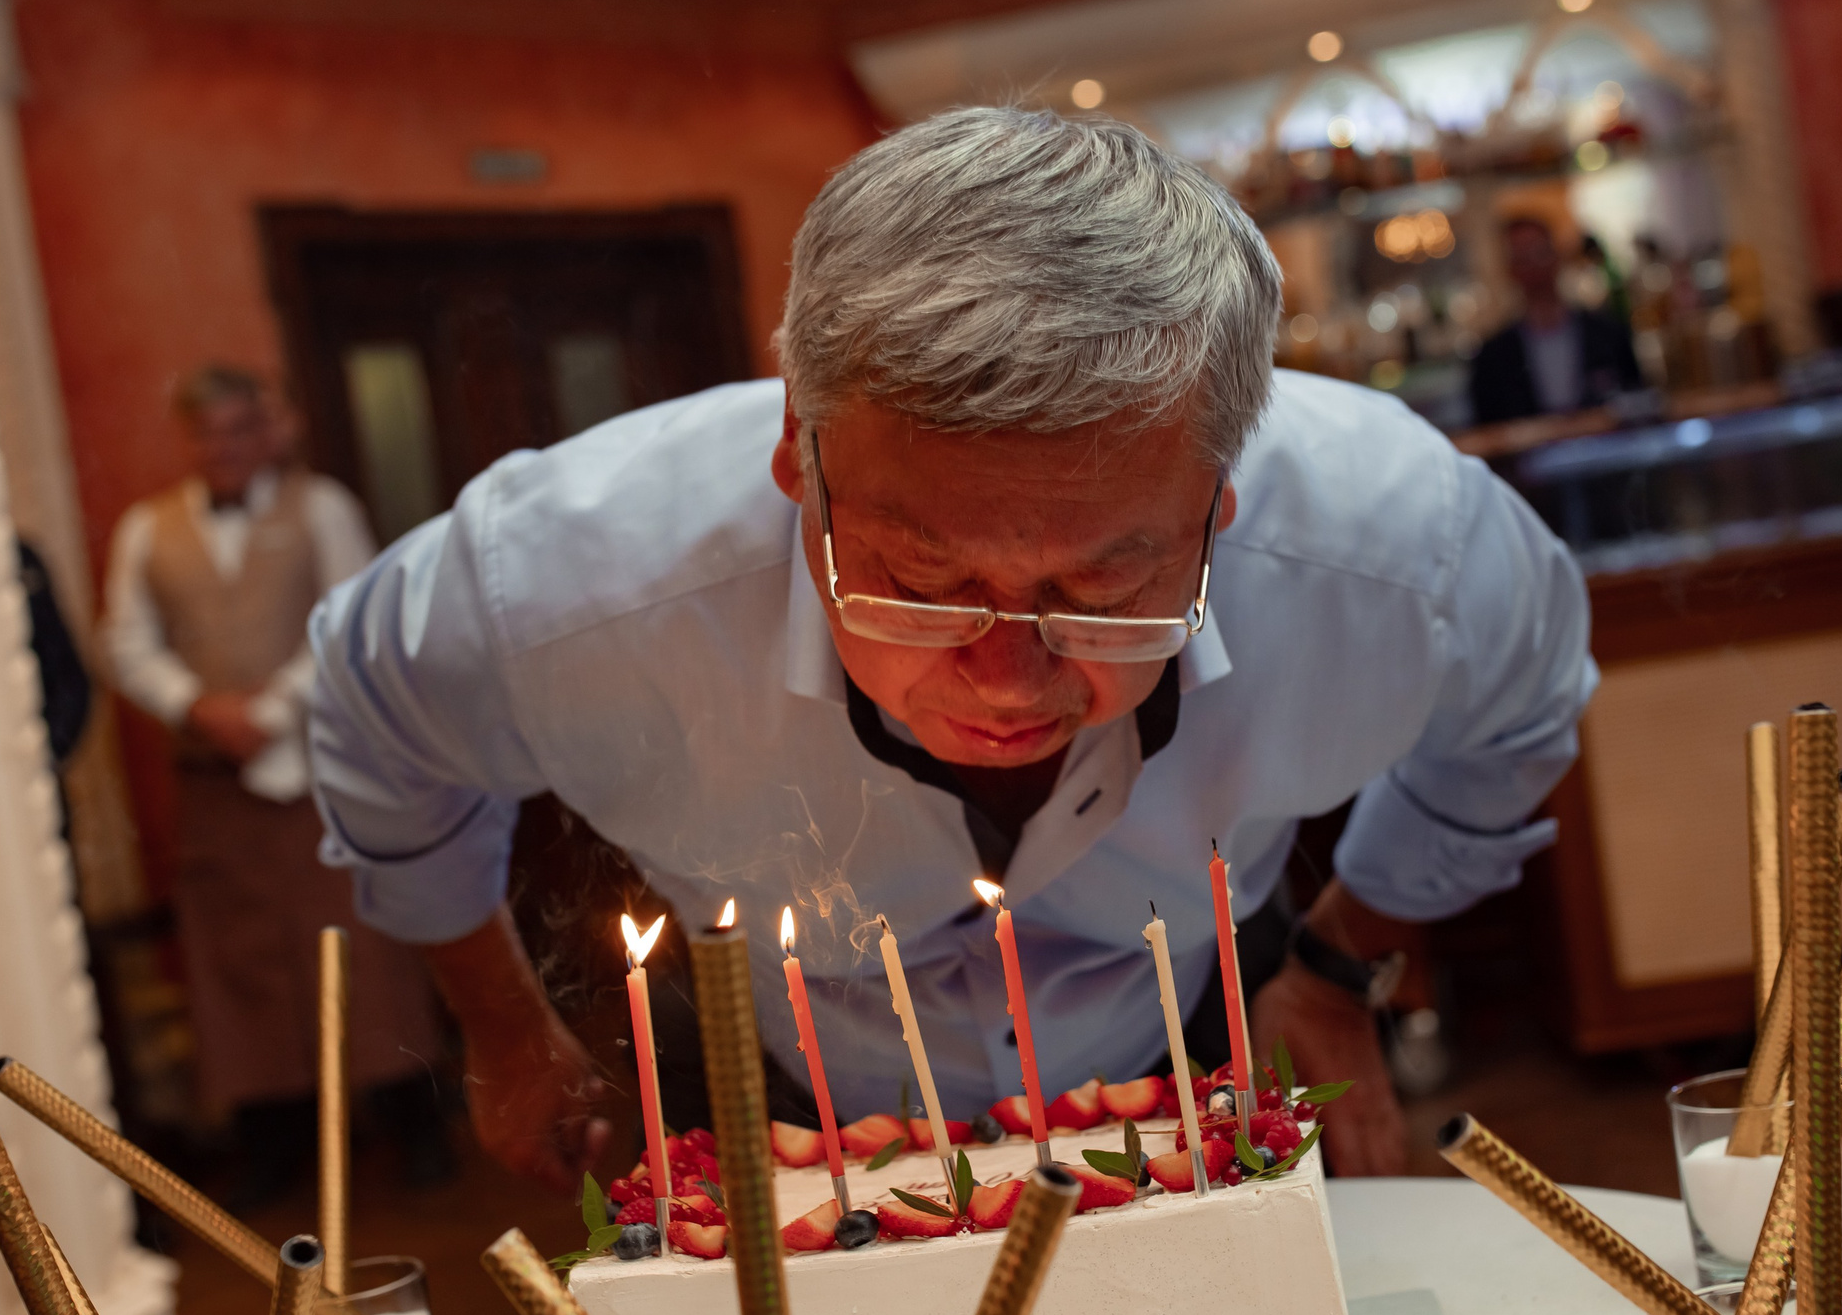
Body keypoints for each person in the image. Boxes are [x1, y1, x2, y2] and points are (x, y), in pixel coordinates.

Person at [309, 110, 1595, 1191]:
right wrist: (498, 1023)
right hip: (784, 1060)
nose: (1006, 679)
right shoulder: (561, 582)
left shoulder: (1401, 549)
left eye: (1105, 587)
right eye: (922, 583)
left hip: (1212, 1005)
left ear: (1218, 505)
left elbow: (1522, 718)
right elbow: (374, 729)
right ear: (794, 466)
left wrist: (1335, 962)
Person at [102, 366, 450, 1209]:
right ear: (187, 440)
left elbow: (350, 615)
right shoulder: (147, 530)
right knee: (240, 958)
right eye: (205, 435)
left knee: (358, 945)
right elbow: (124, 642)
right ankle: (274, 1137)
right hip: (212, 783)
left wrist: (273, 708)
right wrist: (196, 707)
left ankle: (414, 1124)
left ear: (266, 432)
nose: (221, 449)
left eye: (236, 431)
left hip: (319, 767)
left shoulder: (320, 506)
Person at [1468, 216, 1645, 425]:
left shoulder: (1608, 334)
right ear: (1510, 269)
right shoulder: (1493, 356)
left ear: (1556, 257)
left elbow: (1637, 402)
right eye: (1522, 258)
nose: (1534, 268)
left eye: (1539, 253)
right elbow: (1490, 428)